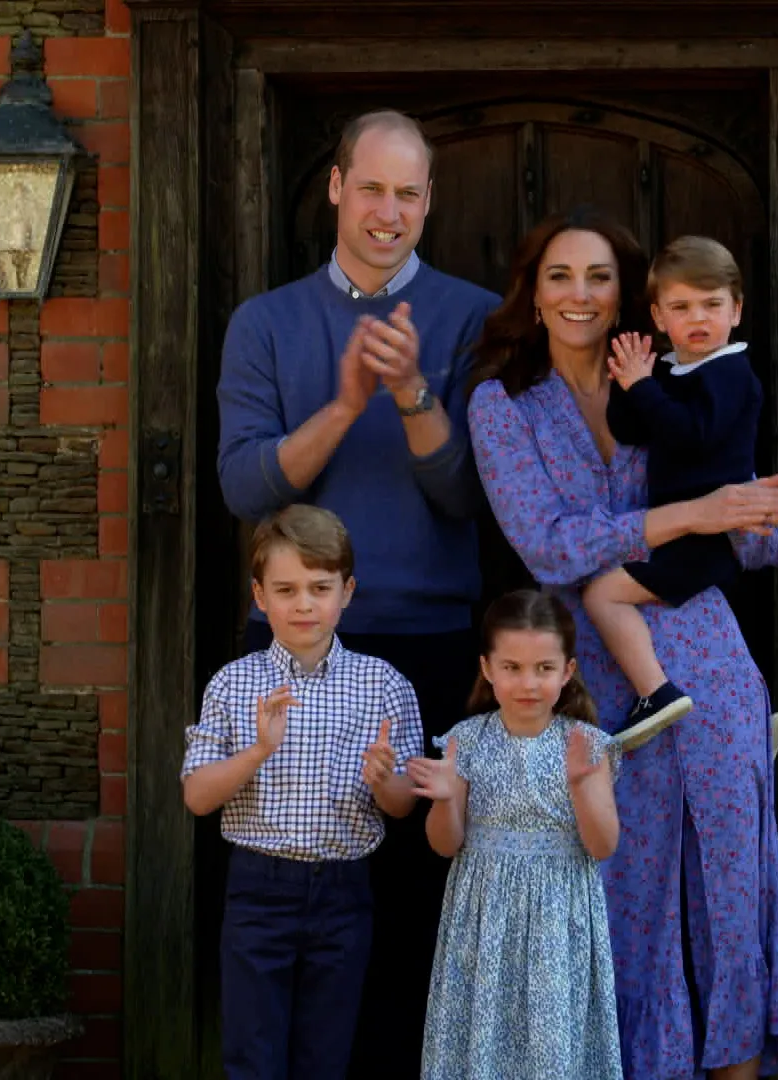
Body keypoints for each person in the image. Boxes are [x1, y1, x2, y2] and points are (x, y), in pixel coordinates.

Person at [467, 207, 778, 1080]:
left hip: (707, 646)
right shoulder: (502, 403)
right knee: (622, 892)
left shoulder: (676, 372)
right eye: (560, 276)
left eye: (598, 277)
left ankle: (738, 1066)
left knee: (734, 881)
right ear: (533, 294)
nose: (579, 294)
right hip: (590, 670)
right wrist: (693, 514)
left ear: (631, 298)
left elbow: (746, 529)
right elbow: (547, 544)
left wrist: (760, 514)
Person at [214, 108, 498, 1076]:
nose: (387, 211)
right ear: (335, 188)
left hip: (426, 643)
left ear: (429, 202)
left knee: (413, 911)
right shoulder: (266, 323)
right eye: (370, 188)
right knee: (288, 908)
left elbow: (469, 495)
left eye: (407, 193)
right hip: (295, 648)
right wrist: (343, 404)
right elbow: (246, 487)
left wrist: (414, 392)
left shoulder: (474, 318)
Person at [180, 505, 423, 1080]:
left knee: (325, 1055)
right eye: (286, 589)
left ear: (348, 591)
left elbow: (403, 805)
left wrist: (383, 779)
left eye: (320, 588)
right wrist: (258, 751)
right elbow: (196, 797)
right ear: (260, 596)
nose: (304, 604)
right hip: (258, 889)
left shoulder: (383, 684)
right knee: (252, 1054)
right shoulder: (234, 683)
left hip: (343, 891)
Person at [408, 589, 623, 1080]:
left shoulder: (587, 744)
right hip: (483, 919)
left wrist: (583, 787)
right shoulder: (467, 739)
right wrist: (444, 797)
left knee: (552, 1048)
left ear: (567, 670)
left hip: (558, 919)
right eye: (512, 667)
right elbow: (445, 844)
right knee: (483, 1041)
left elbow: (603, 846)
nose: (528, 683)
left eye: (544, 669)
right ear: (487, 668)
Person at [584, 236, 766, 751]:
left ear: (736, 309)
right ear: (660, 318)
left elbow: (692, 435)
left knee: (602, 593)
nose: (699, 318)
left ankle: (655, 693)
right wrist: (629, 382)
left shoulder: (731, 372)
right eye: (682, 307)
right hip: (680, 531)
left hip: (705, 538)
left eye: (712, 305)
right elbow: (631, 429)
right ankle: (742, 720)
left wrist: (645, 387)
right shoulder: (672, 369)